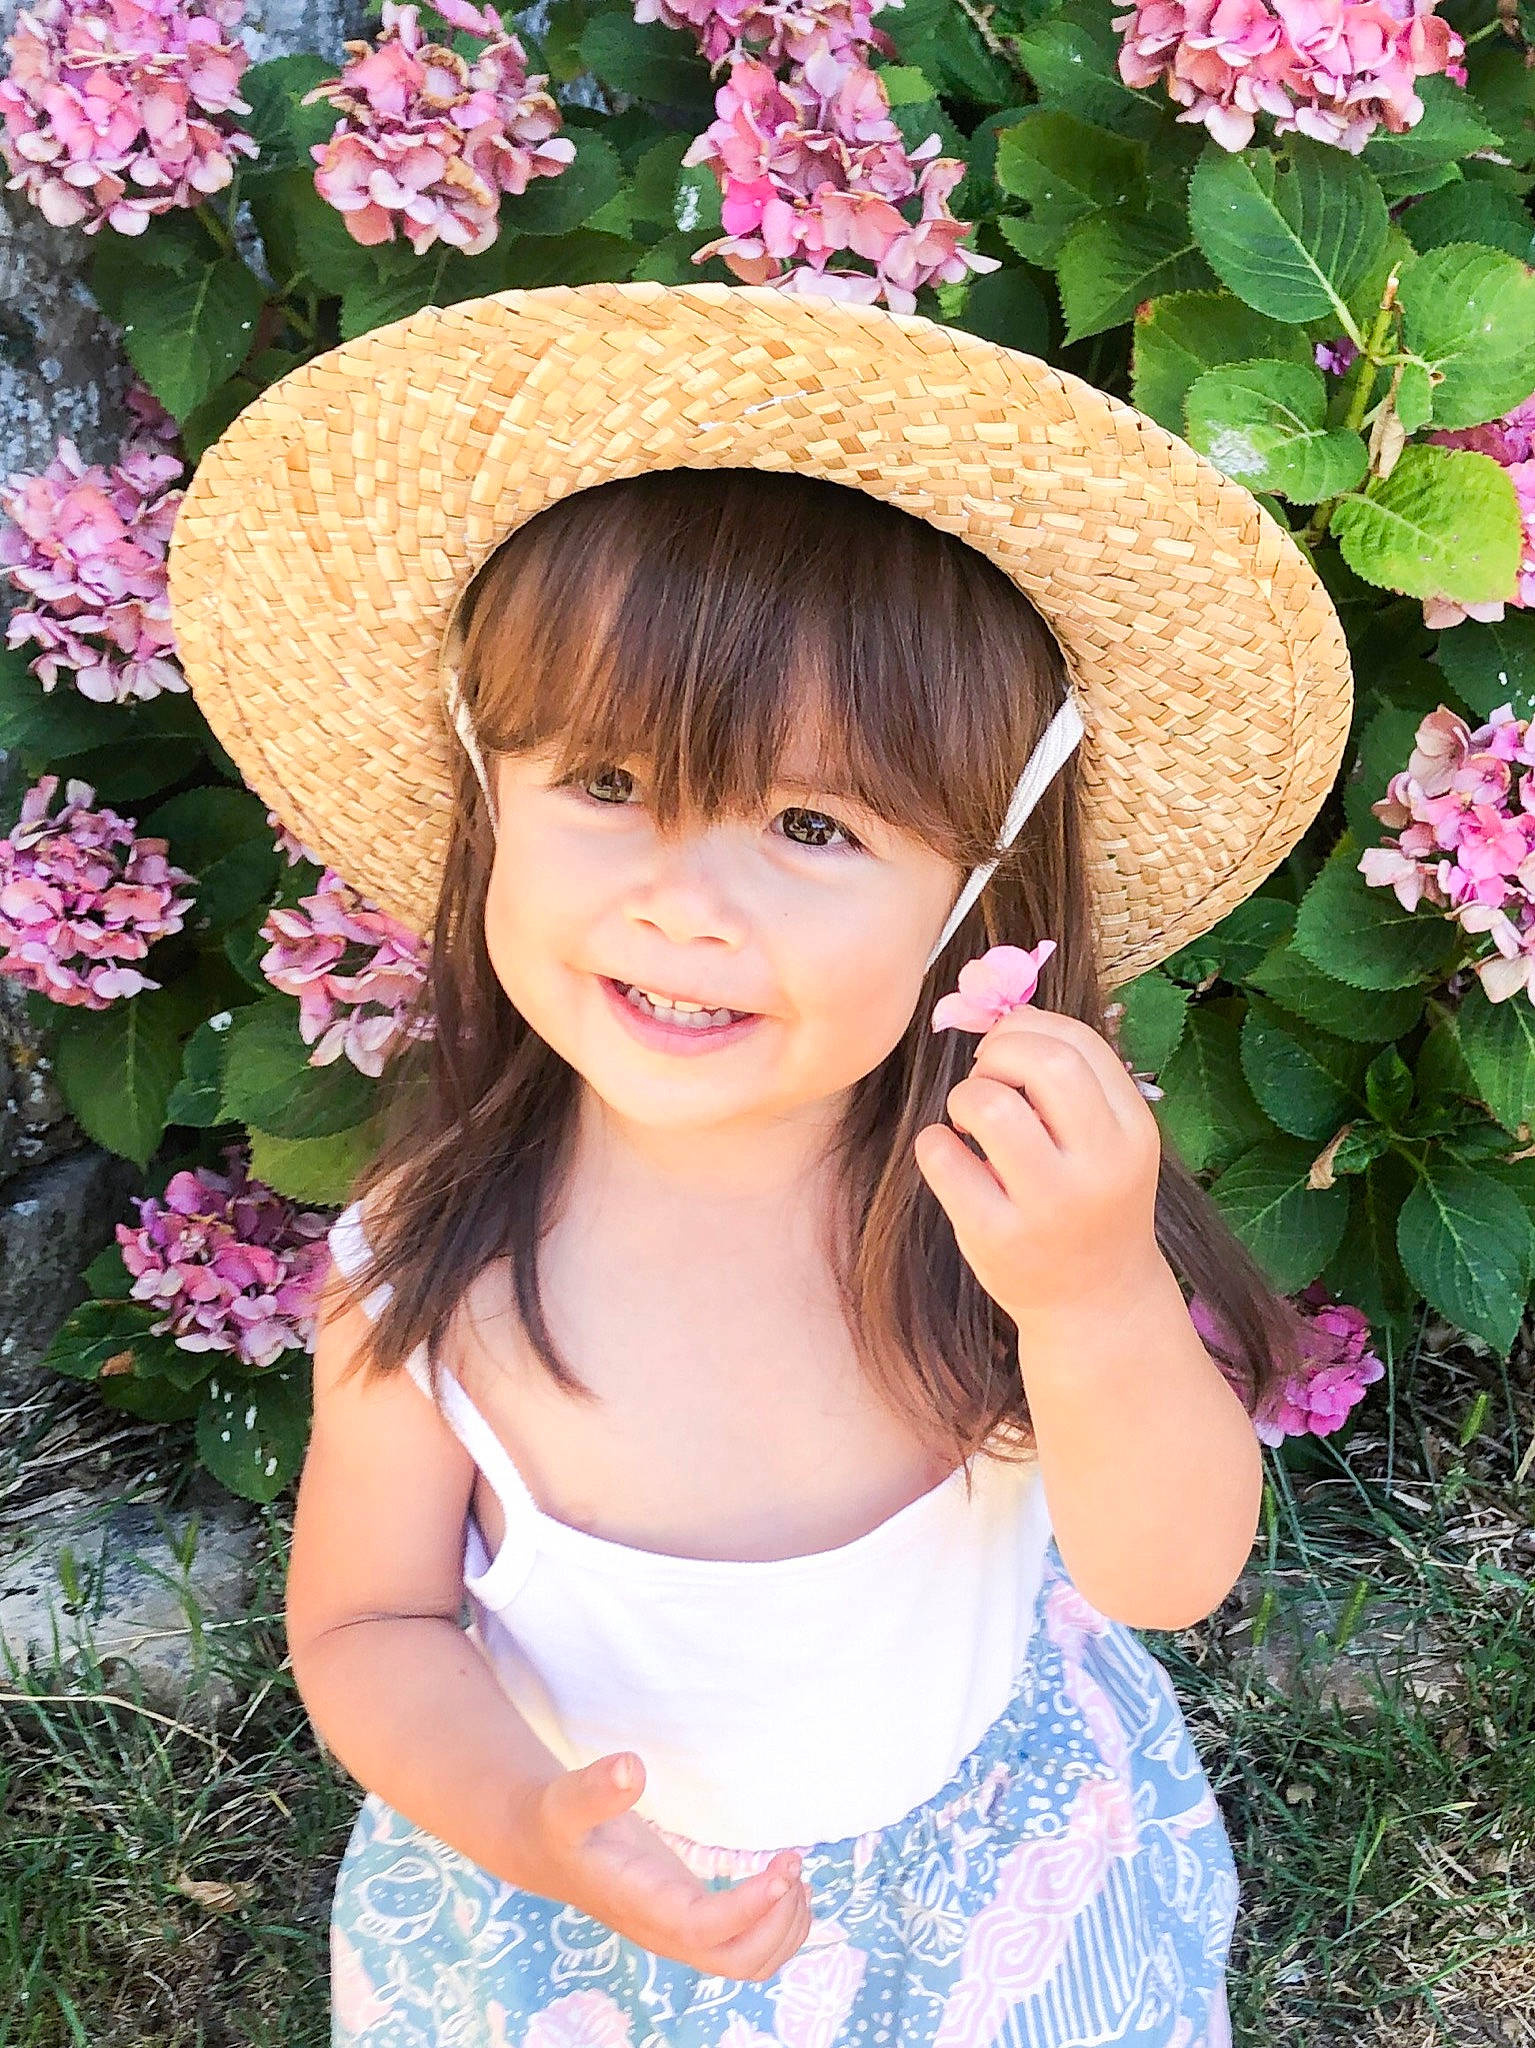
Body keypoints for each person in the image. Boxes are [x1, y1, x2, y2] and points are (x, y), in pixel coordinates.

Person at [165, 281, 1354, 2046]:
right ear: (490, 796)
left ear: (977, 901)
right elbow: (368, 1628)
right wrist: (532, 1829)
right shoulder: (433, 1267)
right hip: (574, 1907)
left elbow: (1166, 1575)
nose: (684, 900)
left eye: (810, 825)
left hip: (982, 1888)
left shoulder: (996, 1214)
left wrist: (1097, 1306)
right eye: (607, 781)